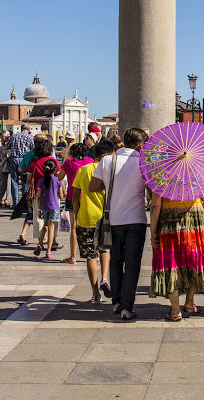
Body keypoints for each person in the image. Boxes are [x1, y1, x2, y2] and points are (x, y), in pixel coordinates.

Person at [89, 128, 148, 320]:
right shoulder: (143, 163)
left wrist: (111, 183)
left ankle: (116, 301)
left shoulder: (107, 160)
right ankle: (127, 306)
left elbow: (93, 187)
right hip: (136, 219)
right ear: (139, 146)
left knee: (115, 260)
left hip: (113, 219)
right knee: (132, 264)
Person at [151, 189, 204, 320]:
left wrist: (153, 232)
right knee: (196, 261)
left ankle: (175, 310)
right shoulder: (194, 172)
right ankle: (191, 301)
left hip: (170, 219)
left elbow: (156, 204)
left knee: (172, 264)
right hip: (195, 219)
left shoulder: (162, 174)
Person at [73, 140, 115, 303]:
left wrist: (77, 214)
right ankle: (105, 277)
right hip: (105, 217)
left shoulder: (83, 170)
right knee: (105, 249)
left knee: (90, 255)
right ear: (105, 156)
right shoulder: (109, 170)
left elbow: (75, 194)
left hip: (86, 217)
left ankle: (95, 292)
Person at [58, 143, 94, 264]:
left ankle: (73, 256)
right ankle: (95, 254)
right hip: (87, 196)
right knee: (91, 226)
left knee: (74, 228)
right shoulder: (90, 161)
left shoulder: (68, 162)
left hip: (72, 197)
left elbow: (60, 178)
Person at [27, 139, 62, 247]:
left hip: (38, 193)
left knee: (38, 218)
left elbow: (28, 179)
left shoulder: (34, 162)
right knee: (54, 218)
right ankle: (53, 240)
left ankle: (41, 240)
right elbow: (59, 177)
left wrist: (28, 190)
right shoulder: (54, 161)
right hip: (53, 194)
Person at [33, 159, 64, 259]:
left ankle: (40, 244)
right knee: (51, 228)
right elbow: (61, 195)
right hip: (54, 206)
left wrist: (38, 209)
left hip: (44, 206)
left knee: (45, 226)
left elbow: (39, 197)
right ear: (55, 170)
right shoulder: (58, 180)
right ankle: (49, 251)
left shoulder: (41, 181)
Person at [7, 123, 34, 205]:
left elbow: (6, 147)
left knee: (14, 180)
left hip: (14, 159)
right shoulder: (30, 137)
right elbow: (33, 149)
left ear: (21, 129)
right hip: (24, 160)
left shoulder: (14, 136)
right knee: (25, 181)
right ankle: (24, 203)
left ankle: (15, 203)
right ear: (28, 130)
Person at [0, 130, 11, 208]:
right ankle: (2, 199)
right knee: (3, 181)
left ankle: (6, 198)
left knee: (8, 182)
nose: (9, 138)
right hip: (2, 164)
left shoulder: (9, 144)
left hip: (8, 164)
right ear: (4, 137)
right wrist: (2, 161)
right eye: (8, 137)